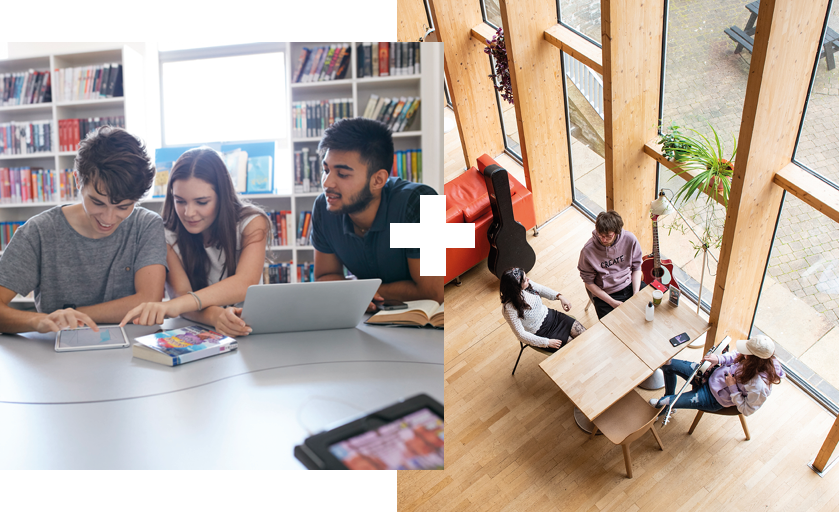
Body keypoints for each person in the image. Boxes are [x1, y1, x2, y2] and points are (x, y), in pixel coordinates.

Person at [0, 126, 167, 334]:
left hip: (134, 354)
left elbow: (149, 300)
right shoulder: (38, 233)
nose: (108, 218)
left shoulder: (146, 225)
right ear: (78, 181)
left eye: (123, 207)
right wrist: (37, 321)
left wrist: (73, 313)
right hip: (58, 356)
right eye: (98, 203)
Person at [119, 147, 270, 337]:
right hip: (199, 334)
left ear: (222, 197)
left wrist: (174, 305)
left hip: (250, 330)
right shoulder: (166, 234)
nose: (188, 213)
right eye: (180, 201)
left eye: (201, 202)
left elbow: (245, 283)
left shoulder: (252, 223)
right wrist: (216, 316)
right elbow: (181, 295)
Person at [312, 117, 443, 311]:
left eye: (342, 174)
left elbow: (434, 291)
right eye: (326, 170)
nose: (326, 183)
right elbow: (325, 277)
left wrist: (360, 291)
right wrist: (355, 291)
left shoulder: (423, 201)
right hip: (366, 321)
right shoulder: (324, 208)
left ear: (378, 180)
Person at [650, 335, 784, 416]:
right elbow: (736, 354)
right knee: (667, 364)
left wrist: (732, 387)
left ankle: (665, 405)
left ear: (755, 359)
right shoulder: (754, 357)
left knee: (664, 402)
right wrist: (719, 359)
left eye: (746, 352)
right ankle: (669, 398)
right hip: (712, 375)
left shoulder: (759, 386)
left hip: (714, 398)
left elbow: (747, 410)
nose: (743, 353)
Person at [578, 210, 644, 319]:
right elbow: (588, 282)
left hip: (630, 285)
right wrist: (612, 302)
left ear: (616, 231)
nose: (603, 240)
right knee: (613, 329)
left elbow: (636, 267)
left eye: (608, 236)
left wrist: (636, 293)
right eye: (600, 235)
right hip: (606, 294)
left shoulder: (630, 239)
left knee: (652, 309)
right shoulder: (588, 251)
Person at [500, 268, 586, 351]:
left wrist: (560, 296)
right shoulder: (508, 309)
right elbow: (521, 334)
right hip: (542, 333)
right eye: (525, 280)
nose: (528, 279)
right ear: (516, 287)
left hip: (552, 316)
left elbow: (541, 289)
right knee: (574, 348)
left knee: (585, 335)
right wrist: (546, 342)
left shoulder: (527, 285)